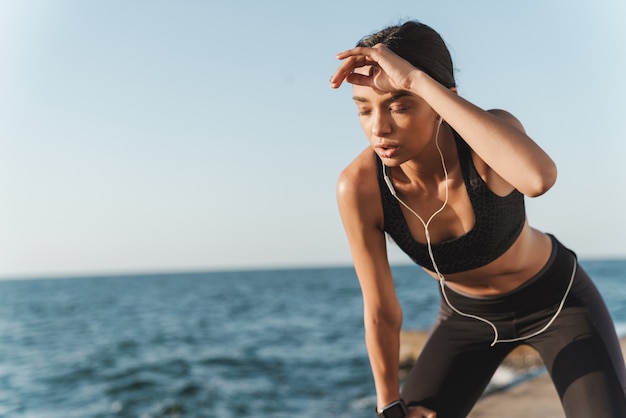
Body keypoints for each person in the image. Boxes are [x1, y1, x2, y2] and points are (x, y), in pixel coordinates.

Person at [329, 20, 626, 418]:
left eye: (399, 105)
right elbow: (381, 308)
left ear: (438, 99)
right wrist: (389, 405)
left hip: (557, 303)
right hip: (465, 318)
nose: (378, 128)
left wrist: (417, 80)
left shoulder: (486, 140)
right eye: (364, 109)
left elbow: (539, 179)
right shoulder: (360, 187)